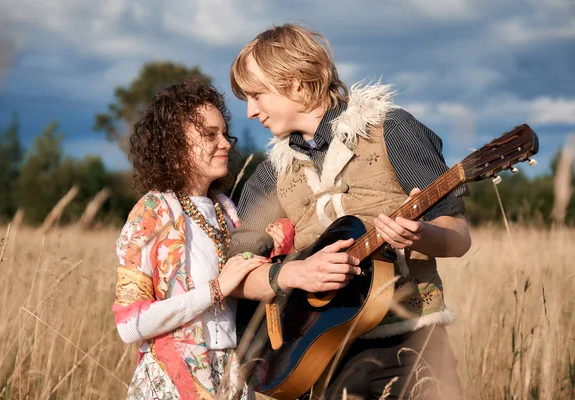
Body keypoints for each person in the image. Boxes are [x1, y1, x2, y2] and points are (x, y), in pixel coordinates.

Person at [228, 24, 472, 399]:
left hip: (409, 348)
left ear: (295, 83)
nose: (249, 111)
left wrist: (420, 235)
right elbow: (235, 272)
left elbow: (458, 237)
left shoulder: (392, 130)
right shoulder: (270, 174)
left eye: (257, 95)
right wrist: (291, 272)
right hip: (313, 358)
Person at [112, 80, 265, 399]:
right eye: (210, 135)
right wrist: (215, 289)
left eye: (224, 133)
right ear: (175, 144)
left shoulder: (226, 208)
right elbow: (129, 324)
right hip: (173, 380)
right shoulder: (153, 211)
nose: (225, 143)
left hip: (233, 378)